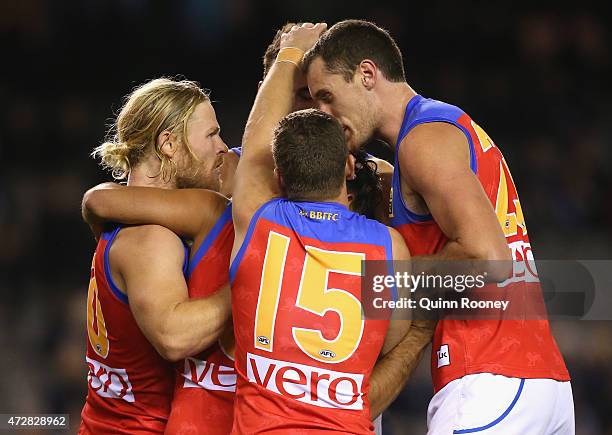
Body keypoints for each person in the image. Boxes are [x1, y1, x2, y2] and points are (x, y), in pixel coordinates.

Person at [304, 19, 573, 434]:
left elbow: (489, 258)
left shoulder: (422, 142)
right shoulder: (442, 129)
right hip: (535, 380)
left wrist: (378, 283)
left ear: (367, 74)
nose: (323, 113)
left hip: (488, 377)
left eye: (326, 96)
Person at [229, 22, 414, 434]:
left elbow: (258, 147)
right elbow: (393, 341)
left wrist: (290, 53)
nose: (316, 109)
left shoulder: (257, 212)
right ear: (347, 166)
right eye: (306, 97)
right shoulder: (390, 242)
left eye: (323, 97)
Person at [78, 78, 231, 434]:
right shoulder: (151, 238)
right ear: (168, 143)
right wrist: (250, 286)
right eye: (211, 134)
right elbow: (174, 337)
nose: (222, 147)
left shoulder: (124, 219)